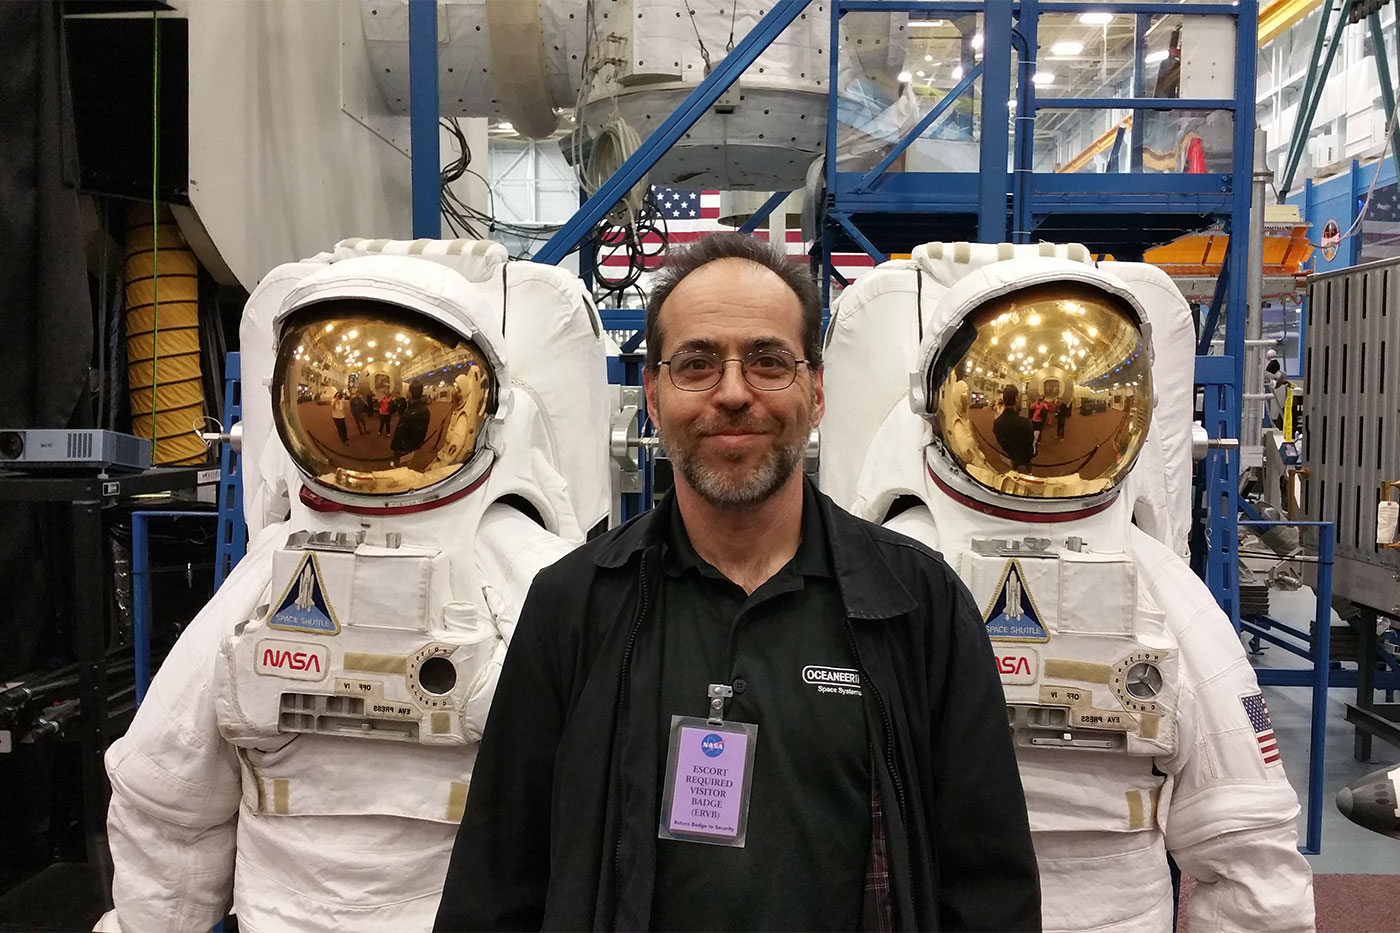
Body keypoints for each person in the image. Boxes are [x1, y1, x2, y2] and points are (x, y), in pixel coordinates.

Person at [434, 233, 1040, 932]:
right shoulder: (573, 606)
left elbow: (991, 892)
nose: (731, 392)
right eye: (696, 363)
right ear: (653, 399)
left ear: (815, 393)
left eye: (767, 361)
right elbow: (497, 883)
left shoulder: (917, 604)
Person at [99, 256, 596, 932]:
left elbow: (601, 797)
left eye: (406, 401)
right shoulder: (277, 571)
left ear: (487, 406)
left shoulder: (537, 577)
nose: (374, 425)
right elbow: (167, 799)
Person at [862, 256, 1314, 931]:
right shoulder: (891, 569)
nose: (1052, 421)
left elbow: (1250, 846)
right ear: (936, 396)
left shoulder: (1159, 586)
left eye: (1083, 406)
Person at [994, 385, 1036, 472]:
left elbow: (1001, 442)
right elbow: (1029, 442)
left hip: (1008, 457)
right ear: (1016, 399)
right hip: (1024, 460)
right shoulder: (1024, 422)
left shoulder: (997, 422)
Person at [390, 381, 432, 466]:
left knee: (400, 465)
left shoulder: (409, 414)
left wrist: (394, 447)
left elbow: (399, 433)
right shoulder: (426, 411)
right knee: (407, 463)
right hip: (414, 445)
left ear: (411, 394)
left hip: (403, 447)